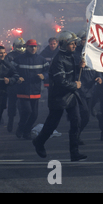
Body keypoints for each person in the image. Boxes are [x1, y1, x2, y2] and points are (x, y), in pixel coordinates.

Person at [32, 31, 87, 161]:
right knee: (52, 124)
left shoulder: (71, 56)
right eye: (71, 43)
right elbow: (61, 81)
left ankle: (74, 153)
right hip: (58, 97)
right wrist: (75, 85)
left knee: (76, 122)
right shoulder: (58, 60)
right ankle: (39, 142)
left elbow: (71, 72)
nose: (74, 46)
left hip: (71, 95)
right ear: (63, 44)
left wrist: (80, 67)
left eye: (75, 43)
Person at [12, 39, 49, 140]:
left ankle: (26, 132)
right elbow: (12, 71)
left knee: (34, 114)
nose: (33, 48)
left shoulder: (41, 60)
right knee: (27, 111)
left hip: (35, 90)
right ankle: (21, 128)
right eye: (31, 46)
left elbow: (48, 71)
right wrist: (17, 77)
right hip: (22, 90)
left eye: (35, 46)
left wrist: (44, 76)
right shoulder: (18, 59)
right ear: (26, 47)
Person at [5, 38, 26, 132]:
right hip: (13, 84)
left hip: (23, 83)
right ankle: (10, 123)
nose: (21, 48)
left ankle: (22, 124)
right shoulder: (9, 56)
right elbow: (6, 70)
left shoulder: (26, 56)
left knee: (23, 105)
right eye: (19, 46)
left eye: (22, 46)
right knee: (12, 104)